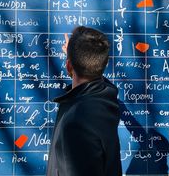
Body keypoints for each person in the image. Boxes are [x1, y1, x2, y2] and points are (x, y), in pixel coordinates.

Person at [46, 26, 122, 176]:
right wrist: (75, 59)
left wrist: (75, 59)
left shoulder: (76, 121)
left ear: (68, 66)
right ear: (103, 65)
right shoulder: (105, 99)